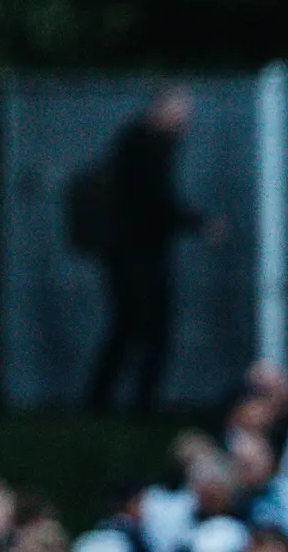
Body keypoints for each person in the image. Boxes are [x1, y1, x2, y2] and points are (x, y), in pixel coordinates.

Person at [84, 86, 223, 415]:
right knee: (146, 326)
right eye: (180, 112)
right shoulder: (145, 144)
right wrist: (199, 224)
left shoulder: (147, 143)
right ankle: (132, 404)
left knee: (131, 325)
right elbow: (156, 201)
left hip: (136, 249)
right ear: (161, 109)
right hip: (135, 252)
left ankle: (108, 402)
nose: (184, 121)